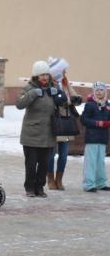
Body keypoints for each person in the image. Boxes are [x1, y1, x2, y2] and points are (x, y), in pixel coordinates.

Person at [16, 61, 66, 197]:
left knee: (44, 164)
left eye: (46, 74)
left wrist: (58, 95)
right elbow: (19, 104)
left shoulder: (52, 88)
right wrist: (32, 94)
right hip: (31, 134)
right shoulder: (28, 88)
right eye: (41, 75)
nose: (45, 77)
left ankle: (40, 187)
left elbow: (64, 101)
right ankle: (30, 188)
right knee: (31, 164)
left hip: (48, 133)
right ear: (36, 76)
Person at [47, 57, 82, 190]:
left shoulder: (65, 83)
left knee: (64, 153)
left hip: (67, 124)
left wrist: (77, 98)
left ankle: (59, 179)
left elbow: (73, 96)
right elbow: (56, 100)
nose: (65, 72)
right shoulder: (50, 86)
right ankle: (50, 179)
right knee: (52, 153)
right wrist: (69, 100)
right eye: (63, 70)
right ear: (57, 71)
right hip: (55, 124)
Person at [80, 82, 110, 193]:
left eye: (101, 90)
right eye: (96, 90)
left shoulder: (107, 105)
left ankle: (101, 183)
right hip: (92, 138)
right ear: (93, 91)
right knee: (91, 162)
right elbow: (84, 120)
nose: (99, 92)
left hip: (103, 138)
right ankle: (89, 184)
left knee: (100, 162)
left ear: (105, 92)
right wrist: (98, 123)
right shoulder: (90, 104)